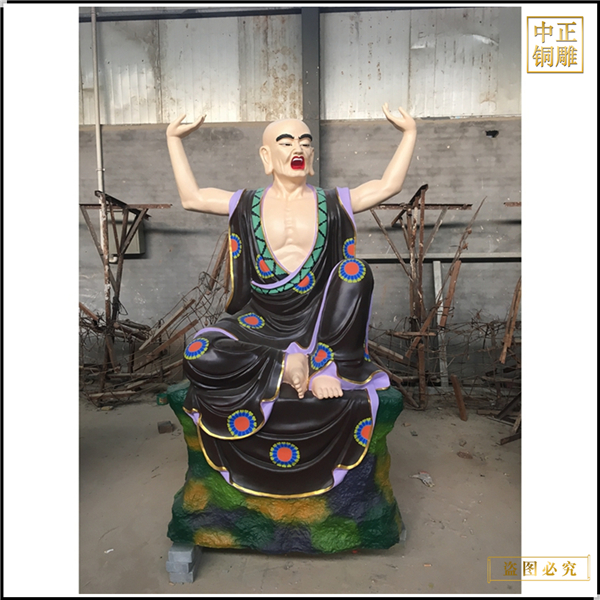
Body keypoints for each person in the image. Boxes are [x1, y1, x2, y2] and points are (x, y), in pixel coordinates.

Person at [166, 105, 416, 498]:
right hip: (260, 320)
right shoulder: (244, 204)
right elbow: (192, 197)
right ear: (267, 156)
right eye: (286, 143)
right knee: (199, 352)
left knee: (355, 272)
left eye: (304, 142)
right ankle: (286, 365)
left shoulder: (333, 202)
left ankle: (325, 365)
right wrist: (173, 140)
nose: (297, 148)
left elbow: (387, 186)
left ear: (312, 155)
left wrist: (409, 134)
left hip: (320, 322)